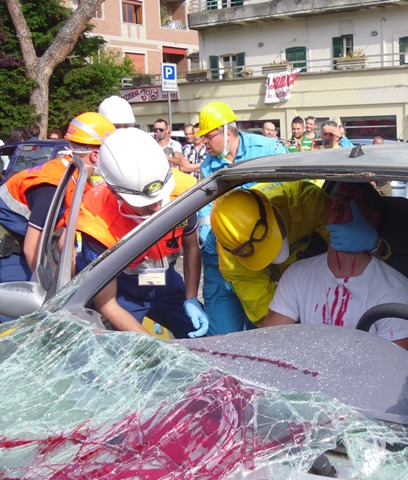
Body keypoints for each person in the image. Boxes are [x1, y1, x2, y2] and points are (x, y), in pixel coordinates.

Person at [74, 128, 206, 339]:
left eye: (159, 198)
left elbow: (191, 246)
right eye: (145, 204)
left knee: (199, 337)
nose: (156, 207)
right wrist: (152, 346)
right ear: (116, 193)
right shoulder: (95, 222)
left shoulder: (181, 192)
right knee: (123, 350)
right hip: (123, 293)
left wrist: (191, 297)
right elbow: (107, 303)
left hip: (164, 281)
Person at [262, 183, 408, 348]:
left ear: (373, 218)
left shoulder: (395, 289)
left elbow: (395, 360)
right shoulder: (297, 275)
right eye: (336, 198)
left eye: (351, 199)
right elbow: (268, 341)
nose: (338, 202)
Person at [210, 180, 386, 332]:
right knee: (226, 332)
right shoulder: (233, 261)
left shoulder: (306, 202)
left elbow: (349, 255)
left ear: (275, 213)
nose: (271, 256)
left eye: (269, 241)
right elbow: (272, 323)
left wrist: (375, 245)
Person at [195, 101, 289, 335]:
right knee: (223, 335)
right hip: (222, 260)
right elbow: (206, 214)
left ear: (227, 131)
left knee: (263, 331)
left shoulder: (267, 149)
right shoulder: (208, 167)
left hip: (262, 255)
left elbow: (290, 192)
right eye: (202, 137)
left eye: (208, 136)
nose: (204, 142)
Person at [0, 112, 115, 285]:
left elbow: (64, 236)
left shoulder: (76, 177)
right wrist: (49, 292)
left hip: (25, 248)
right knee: (32, 299)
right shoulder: (52, 185)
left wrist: (71, 276)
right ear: (95, 155)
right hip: (10, 254)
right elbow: (32, 248)